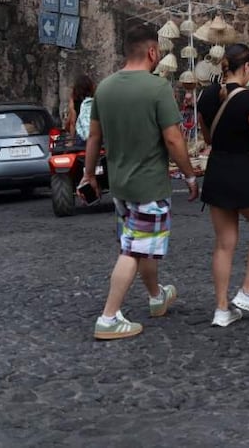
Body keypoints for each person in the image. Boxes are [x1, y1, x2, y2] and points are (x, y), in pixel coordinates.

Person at [85, 23, 200, 340]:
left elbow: (94, 137)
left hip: (120, 185)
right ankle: (109, 317)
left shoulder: (105, 87)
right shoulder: (157, 88)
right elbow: (174, 140)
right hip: (149, 185)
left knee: (139, 243)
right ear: (152, 51)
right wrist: (190, 175)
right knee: (134, 251)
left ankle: (156, 297)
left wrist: (87, 175)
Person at [197, 44, 249, 328]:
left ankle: (221, 310)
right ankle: (247, 291)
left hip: (217, 171)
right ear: (246, 67)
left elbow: (208, 138)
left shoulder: (206, 96)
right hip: (243, 172)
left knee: (224, 244)